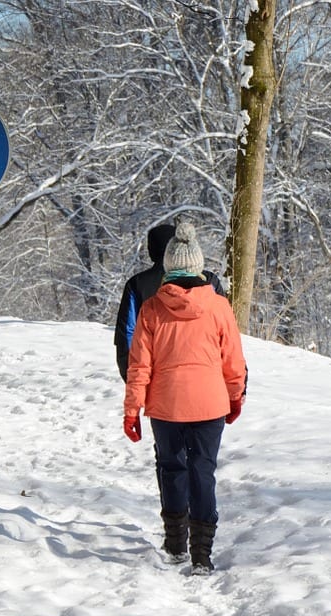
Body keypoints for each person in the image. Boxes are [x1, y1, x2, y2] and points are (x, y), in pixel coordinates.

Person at [122, 221, 247, 575]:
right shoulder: (220, 307)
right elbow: (234, 363)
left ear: (167, 267)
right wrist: (235, 397)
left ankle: (175, 543)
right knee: (202, 472)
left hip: (166, 405)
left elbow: (139, 367)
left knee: (172, 469)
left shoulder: (151, 309)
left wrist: (132, 410)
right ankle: (202, 555)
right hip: (210, 404)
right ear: (197, 266)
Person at [113, 224, 224, 381]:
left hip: (158, 377)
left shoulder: (137, 284)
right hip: (207, 375)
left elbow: (127, 334)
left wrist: (132, 378)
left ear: (151, 250)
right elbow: (226, 332)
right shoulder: (209, 281)